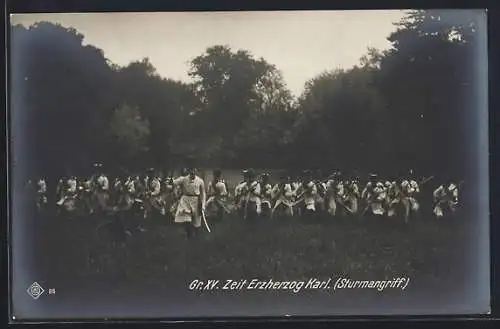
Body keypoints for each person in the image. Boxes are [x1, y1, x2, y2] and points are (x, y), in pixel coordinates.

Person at [173, 164, 207, 238]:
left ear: (196, 170)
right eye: (191, 170)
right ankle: (189, 234)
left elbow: (203, 193)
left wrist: (203, 205)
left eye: (194, 170)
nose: (192, 172)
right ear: (188, 171)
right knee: (186, 219)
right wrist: (169, 182)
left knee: (196, 223)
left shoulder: (200, 181)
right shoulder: (183, 179)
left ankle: (196, 237)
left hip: (196, 201)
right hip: (185, 200)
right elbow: (173, 183)